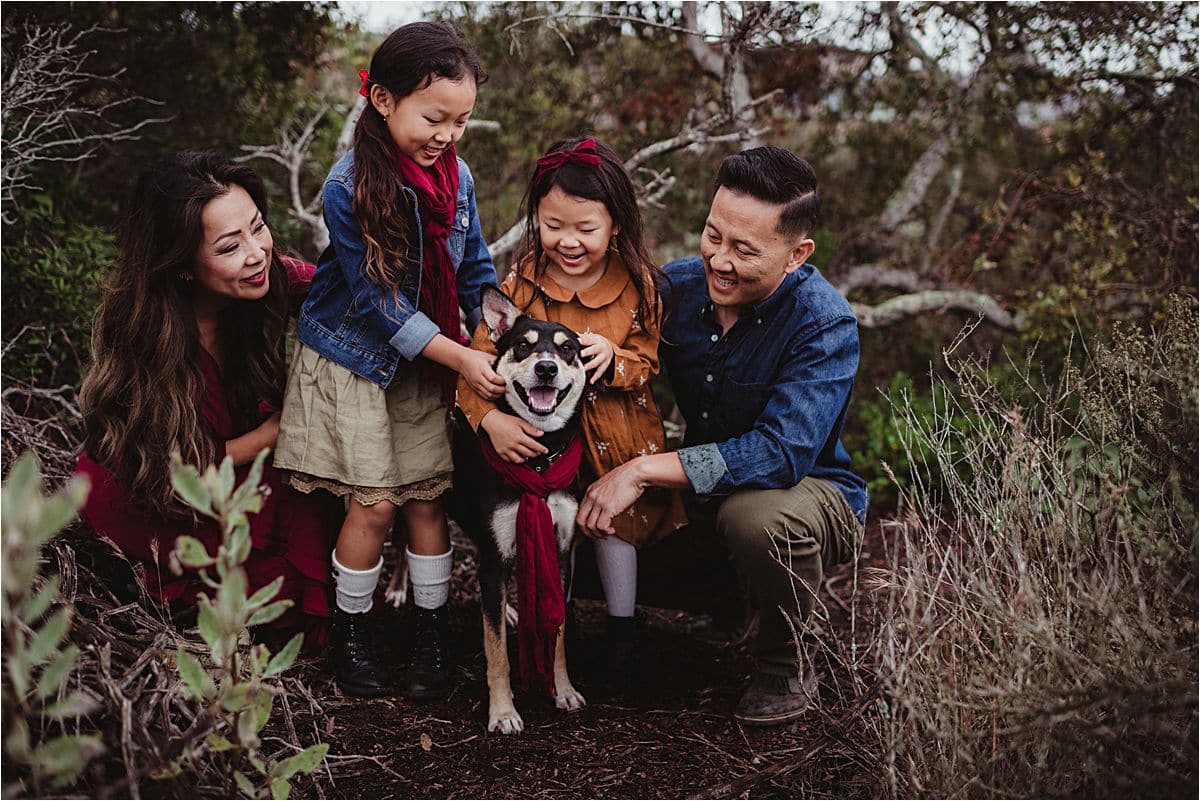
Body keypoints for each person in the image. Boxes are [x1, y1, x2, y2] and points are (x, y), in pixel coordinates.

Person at [576, 147, 868, 725]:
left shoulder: (824, 323)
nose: (719, 260)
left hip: (807, 495)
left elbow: (779, 454)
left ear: (796, 254)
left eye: (744, 250)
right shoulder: (678, 287)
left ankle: (786, 664)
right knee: (582, 528)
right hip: (705, 492)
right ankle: (731, 599)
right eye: (713, 236)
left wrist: (639, 470)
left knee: (755, 518)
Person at [273, 21, 499, 700]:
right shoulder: (350, 186)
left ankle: (431, 637)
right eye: (435, 117)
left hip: (427, 362)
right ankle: (353, 634)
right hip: (356, 360)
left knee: (427, 501)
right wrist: (460, 356)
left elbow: (476, 270)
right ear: (380, 99)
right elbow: (379, 303)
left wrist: (490, 332)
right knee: (373, 505)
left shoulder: (457, 181)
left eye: (462, 121)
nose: (448, 135)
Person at [77, 151, 342, 649]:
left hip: (239, 470)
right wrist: (268, 436)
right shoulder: (149, 339)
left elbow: (344, 289)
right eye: (228, 246)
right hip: (162, 495)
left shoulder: (267, 277)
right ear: (181, 266)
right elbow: (168, 473)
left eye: (257, 227)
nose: (256, 252)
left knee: (315, 494)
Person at [458, 137, 687, 673]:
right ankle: (535, 619)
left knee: (608, 520)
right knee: (532, 520)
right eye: (553, 225)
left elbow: (646, 363)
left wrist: (612, 357)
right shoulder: (523, 282)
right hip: (536, 431)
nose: (569, 241)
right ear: (536, 217)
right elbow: (477, 361)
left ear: (616, 226)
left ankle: (620, 632)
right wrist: (489, 419)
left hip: (612, 431)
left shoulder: (638, 287)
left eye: (586, 229)